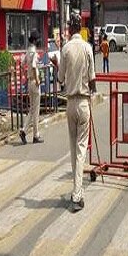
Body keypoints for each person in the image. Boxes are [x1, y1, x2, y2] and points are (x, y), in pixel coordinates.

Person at [57, 12, 96, 213]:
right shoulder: (87, 48)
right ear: (79, 27)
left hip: (70, 103)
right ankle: (77, 193)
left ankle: (76, 189)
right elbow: (92, 79)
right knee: (81, 150)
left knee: (74, 150)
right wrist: (93, 93)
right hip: (83, 102)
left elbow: (60, 79)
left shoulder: (65, 49)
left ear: (69, 29)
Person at [20, 31, 43, 145]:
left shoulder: (28, 51)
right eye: (38, 39)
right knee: (36, 110)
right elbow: (34, 66)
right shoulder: (34, 52)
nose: (39, 41)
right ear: (35, 40)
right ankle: (34, 135)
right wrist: (37, 79)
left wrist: (26, 76)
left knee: (32, 109)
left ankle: (26, 132)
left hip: (29, 82)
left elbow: (21, 64)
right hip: (34, 82)